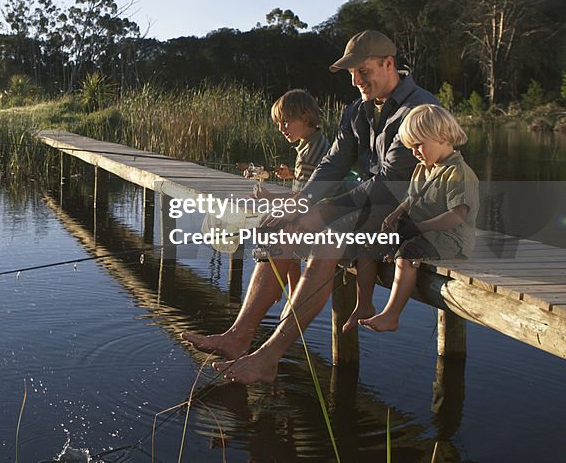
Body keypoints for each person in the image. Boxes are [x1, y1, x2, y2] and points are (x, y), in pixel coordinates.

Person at [181, 30, 439, 384]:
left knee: (327, 237)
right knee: (277, 230)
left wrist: (321, 212)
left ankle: (268, 357)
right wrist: (301, 204)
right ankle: (237, 337)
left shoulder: (419, 110)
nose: (356, 80)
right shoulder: (357, 111)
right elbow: (332, 166)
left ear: (389, 64)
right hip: (366, 204)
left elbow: (388, 186)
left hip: (410, 212)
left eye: (363, 71)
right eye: (351, 74)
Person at [355, 104, 478, 332]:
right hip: (421, 231)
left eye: (418, 145)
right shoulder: (423, 168)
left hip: (451, 239)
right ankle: (363, 305)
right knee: (369, 244)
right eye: (410, 147)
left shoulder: (458, 173)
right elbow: (410, 199)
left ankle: (391, 316)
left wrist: (419, 227)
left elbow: (458, 215)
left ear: (441, 136)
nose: (414, 152)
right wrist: (394, 216)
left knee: (407, 254)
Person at [256, 89, 330, 198]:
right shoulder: (320, 141)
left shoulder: (306, 157)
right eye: (278, 123)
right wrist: (293, 173)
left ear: (305, 119)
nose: (280, 129)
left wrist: (268, 196)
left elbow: (301, 198)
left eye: (285, 122)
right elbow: (315, 177)